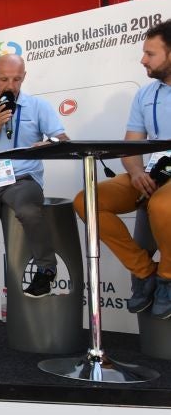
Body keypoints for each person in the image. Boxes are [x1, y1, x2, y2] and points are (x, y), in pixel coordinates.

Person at [0, 53, 69, 351]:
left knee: (27, 209)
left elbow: (63, 138)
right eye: (4, 78)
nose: (10, 85)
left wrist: (45, 145)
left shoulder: (37, 106)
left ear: (23, 78)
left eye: (16, 79)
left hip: (22, 179)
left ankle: (46, 269)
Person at [73, 20, 171, 318]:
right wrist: (138, 172)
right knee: (86, 201)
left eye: (150, 54)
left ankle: (167, 278)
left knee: (162, 206)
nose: (143, 60)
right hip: (153, 174)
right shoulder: (146, 94)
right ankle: (145, 272)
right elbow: (131, 146)